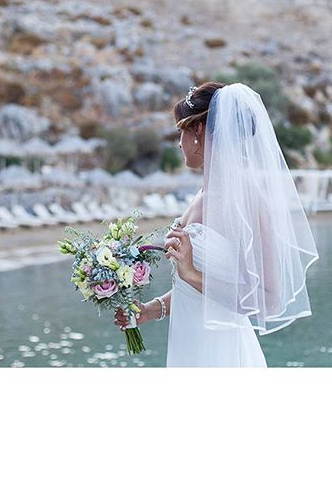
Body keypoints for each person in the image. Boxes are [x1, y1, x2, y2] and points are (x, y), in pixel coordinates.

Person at [114, 82, 319, 366]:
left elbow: (270, 299)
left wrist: (192, 274)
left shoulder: (247, 198)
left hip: (222, 353)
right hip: (188, 342)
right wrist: (152, 310)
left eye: (180, 132)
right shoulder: (203, 194)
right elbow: (199, 288)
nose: (179, 142)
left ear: (197, 131)